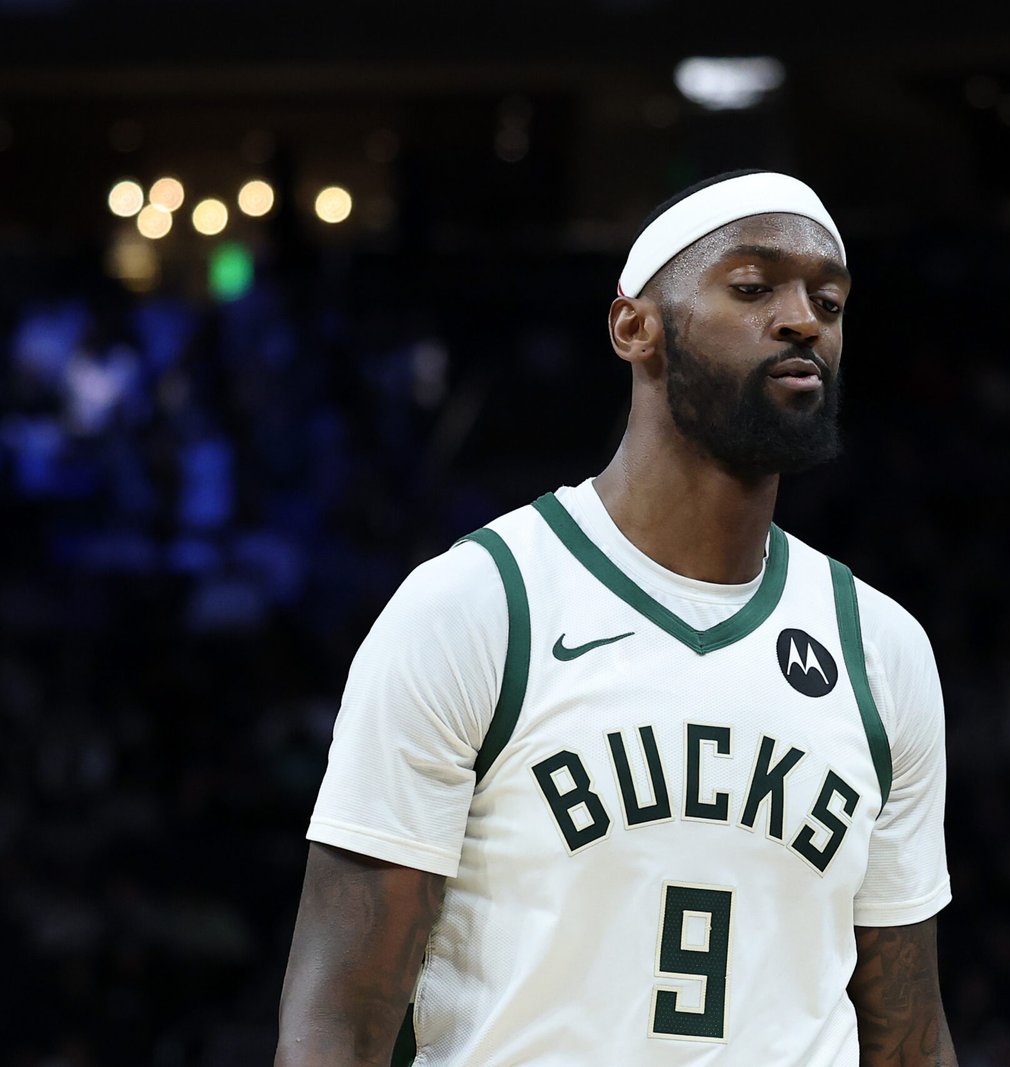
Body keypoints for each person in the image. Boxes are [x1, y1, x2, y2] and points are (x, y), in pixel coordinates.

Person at [275, 170, 956, 1066]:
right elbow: (340, 1017)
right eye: (752, 288)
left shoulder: (883, 649)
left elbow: (906, 1036)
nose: (802, 319)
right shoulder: (480, 606)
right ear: (634, 326)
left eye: (827, 299)